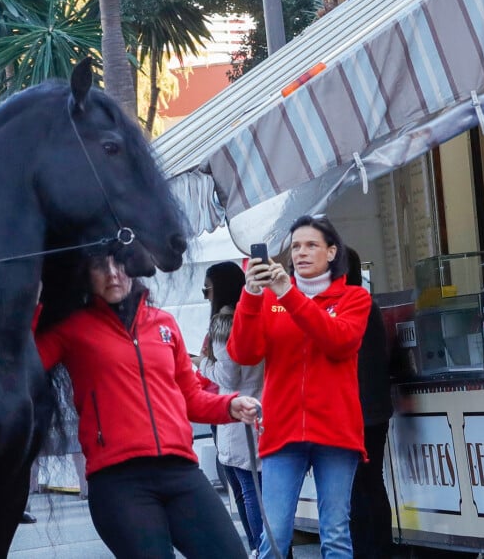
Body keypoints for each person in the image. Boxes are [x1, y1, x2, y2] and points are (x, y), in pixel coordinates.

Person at [34, 252, 260, 558]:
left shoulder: (163, 323)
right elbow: (25, 366)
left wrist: (230, 406)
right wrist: (38, 302)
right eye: (101, 265)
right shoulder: (72, 328)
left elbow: (190, 398)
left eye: (120, 263)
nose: (113, 273)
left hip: (181, 472)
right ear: (85, 274)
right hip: (118, 482)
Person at [227, 215, 372, 559]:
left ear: (332, 252)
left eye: (311, 245)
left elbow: (338, 342)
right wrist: (250, 294)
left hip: (336, 430)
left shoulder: (354, 298)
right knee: (274, 535)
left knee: (335, 534)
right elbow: (243, 354)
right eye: (295, 246)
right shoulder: (269, 299)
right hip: (283, 429)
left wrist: (288, 295)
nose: (301, 253)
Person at [199, 261, 265, 556]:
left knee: (248, 492)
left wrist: (201, 363)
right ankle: (262, 548)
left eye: (207, 290)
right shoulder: (257, 315)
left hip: (238, 415)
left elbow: (228, 376)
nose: (205, 296)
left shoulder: (224, 324)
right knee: (250, 489)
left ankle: (258, 548)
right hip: (256, 410)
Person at [346, 248, 393, 559]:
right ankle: (378, 551)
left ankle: (369, 552)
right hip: (372, 409)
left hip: (356, 412)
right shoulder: (366, 305)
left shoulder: (350, 308)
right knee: (370, 483)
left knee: (359, 488)